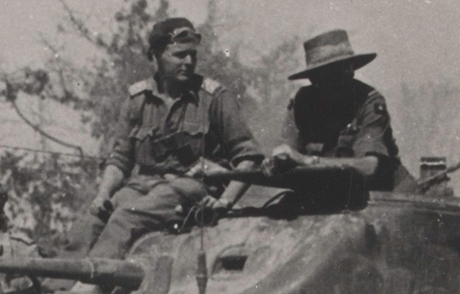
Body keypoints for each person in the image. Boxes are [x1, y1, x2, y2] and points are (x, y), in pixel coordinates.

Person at [78, 17, 263, 260]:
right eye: (179, 55)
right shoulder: (137, 100)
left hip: (192, 188)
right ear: (155, 55)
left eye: (192, 55)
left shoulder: (214, 97)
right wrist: (102, 195)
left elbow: (249, 158)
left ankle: (86, 290)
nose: (189, 62)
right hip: (141, 187)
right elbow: (120, 159)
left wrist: (225, 202)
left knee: (126, 218)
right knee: (92, 220)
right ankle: (50, 292)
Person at [264, 30, 415, 193]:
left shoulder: (368, 100)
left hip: (385, 194)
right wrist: (278, 161)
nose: (337, 79)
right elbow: (288, 151)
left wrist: (307, 161)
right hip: (332, 193)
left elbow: (369, 166)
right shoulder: (302, 102)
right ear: (313, 78)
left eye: (343, 70)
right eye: (327, 73)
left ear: (352, 69)